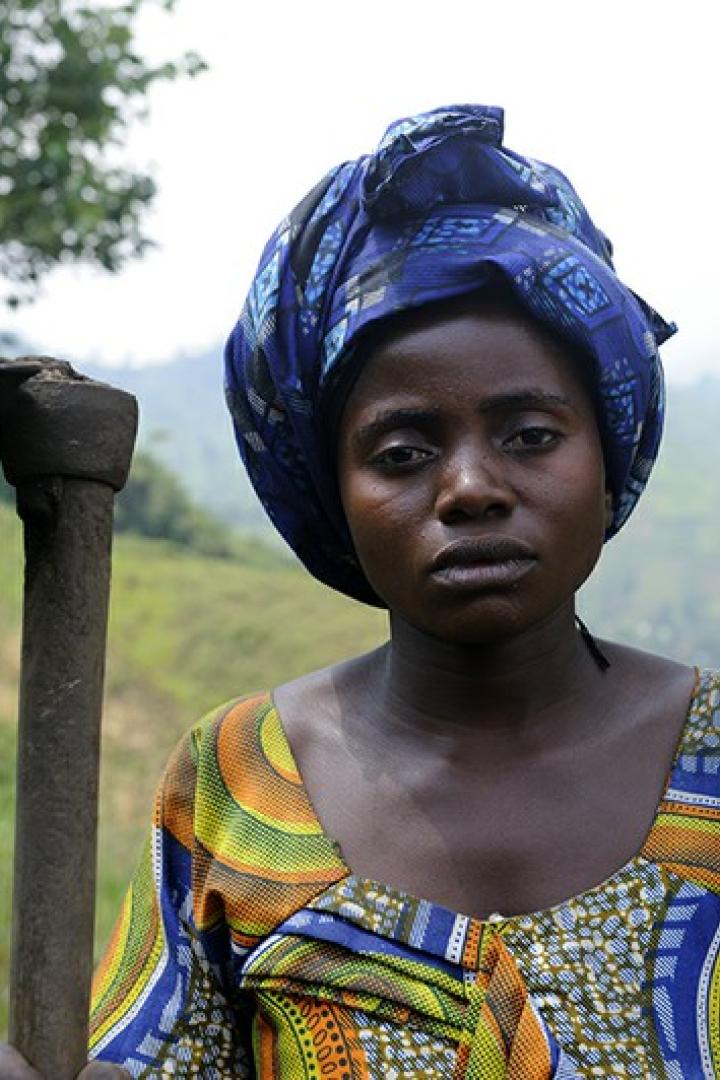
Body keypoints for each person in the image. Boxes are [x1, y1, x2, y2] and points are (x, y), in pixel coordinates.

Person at [3, 103, 719, 1078]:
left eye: (530, 435)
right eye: (402, 451)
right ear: (334, 492)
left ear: (608, 454)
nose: (470, 487)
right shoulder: (239, 783)